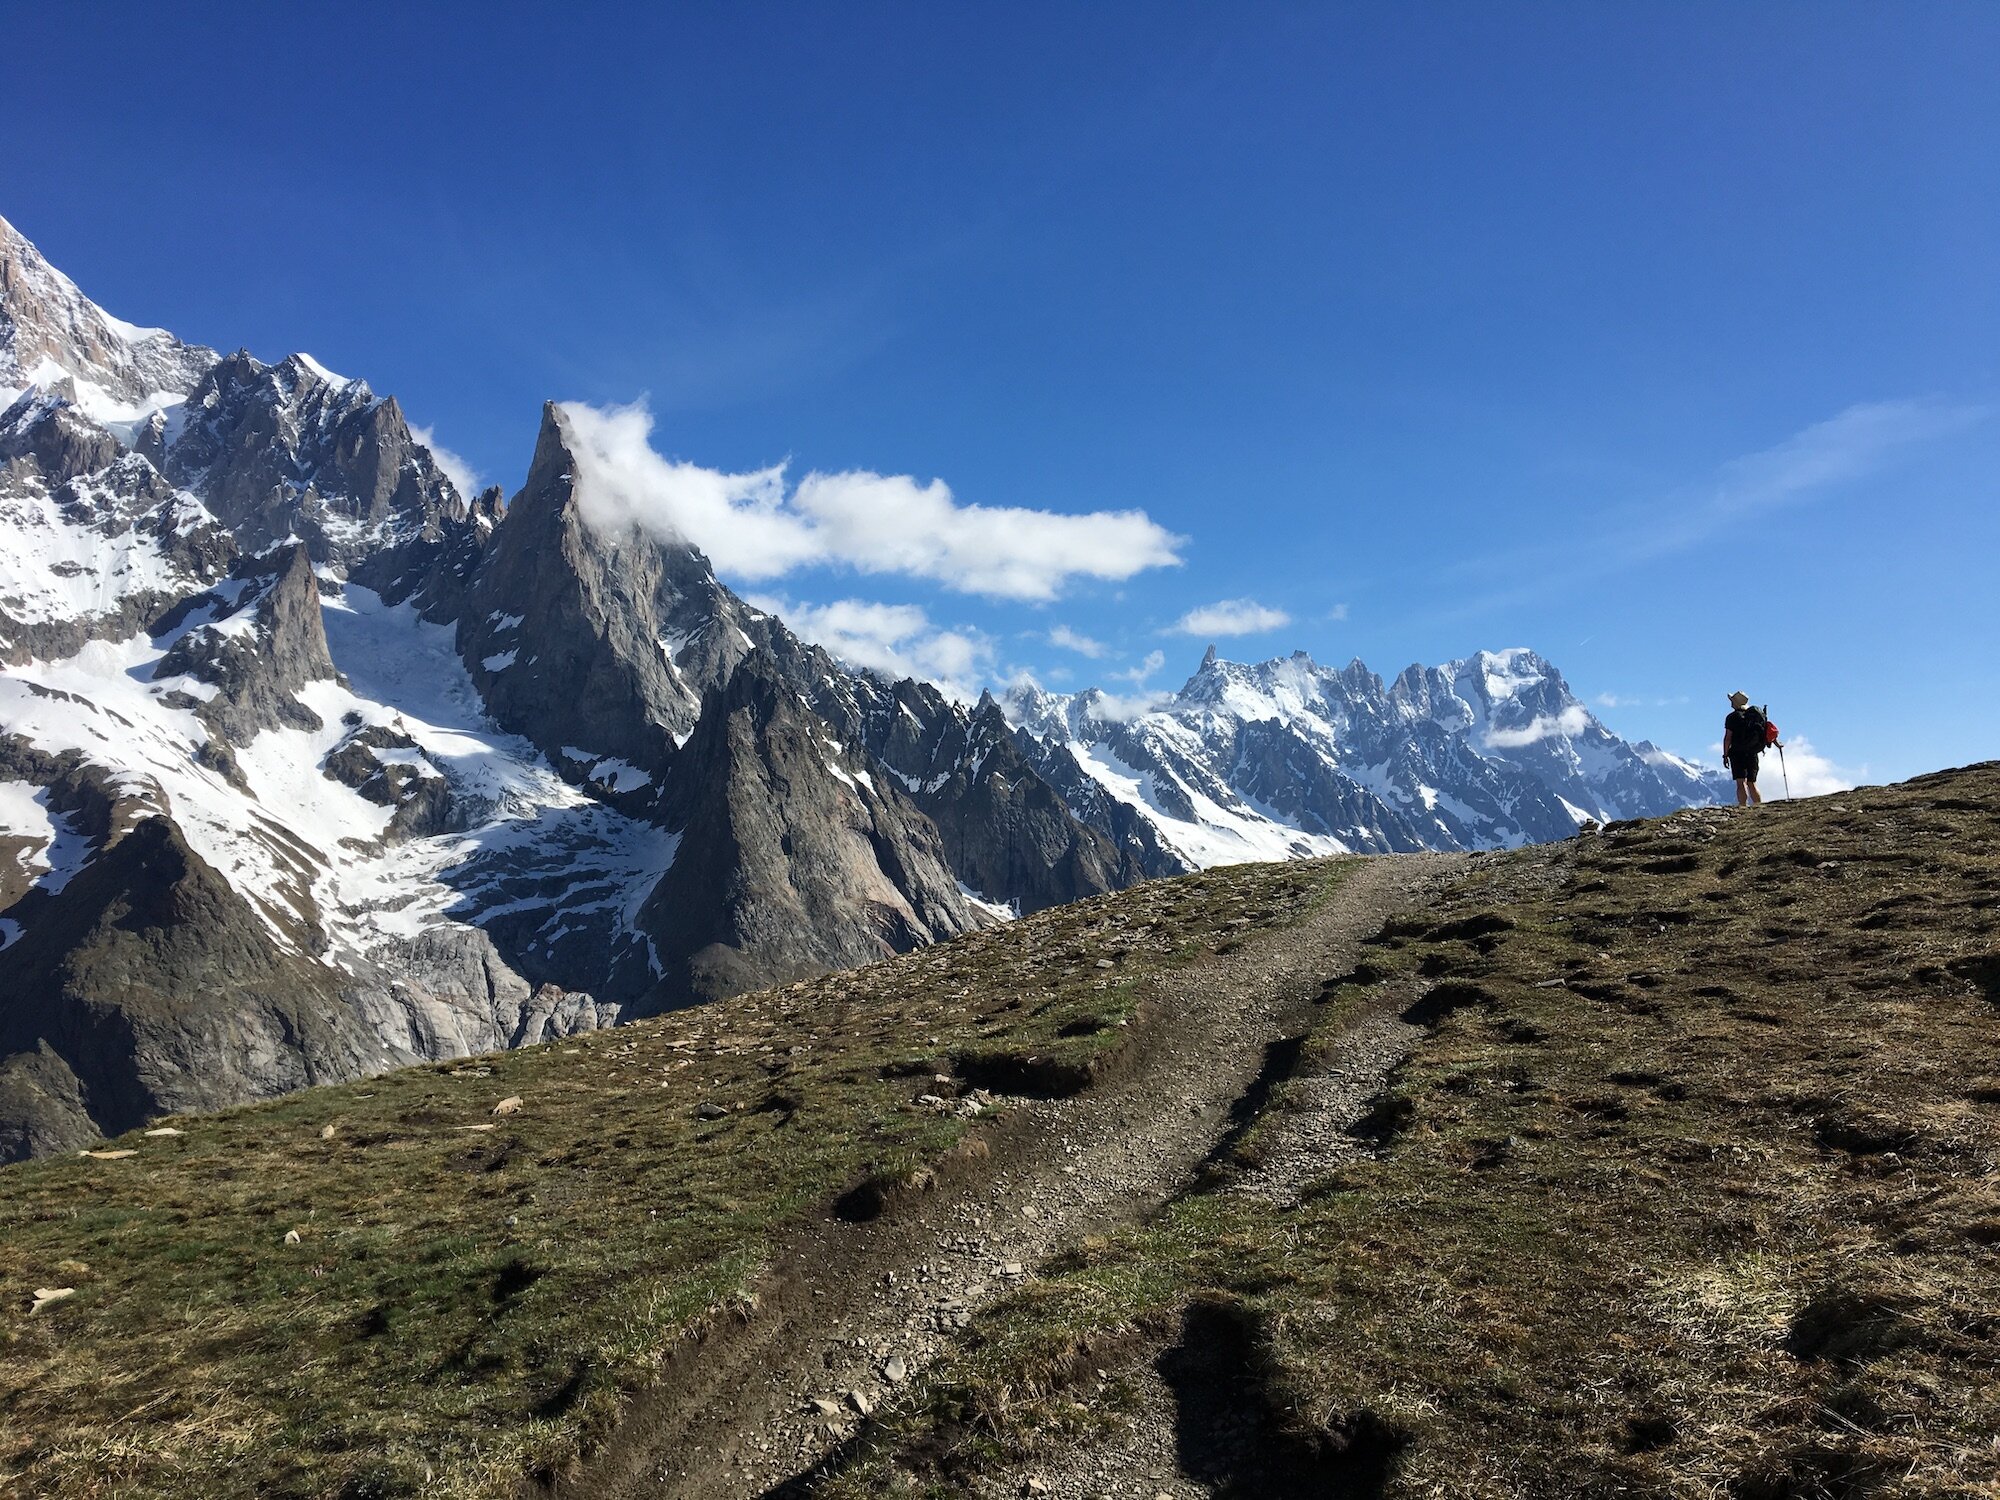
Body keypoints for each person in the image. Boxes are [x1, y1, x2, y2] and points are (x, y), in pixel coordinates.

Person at [1722, 690, 1781, 806]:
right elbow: (1767, 731)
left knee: (1740, 782)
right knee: (1751, 783)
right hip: (1753, 752)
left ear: (1735, 703)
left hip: (1737, 753)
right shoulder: (1755, 716)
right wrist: (1778, 744)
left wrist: (1725, 755)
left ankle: (1743, 807)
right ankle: (1758, 806)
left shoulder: (1732, 717)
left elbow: (1728, 738)